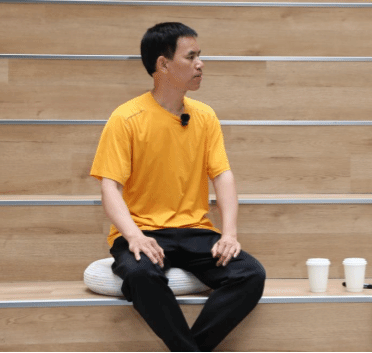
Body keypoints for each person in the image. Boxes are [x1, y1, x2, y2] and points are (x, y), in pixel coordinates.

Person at [90, 22, 266, 352]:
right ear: (163, 64)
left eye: (200, 56)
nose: (201, 64)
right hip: (143, 231)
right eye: (191, 56)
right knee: (141, 275)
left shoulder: (205, 116)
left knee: (250, 274)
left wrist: (229, 234)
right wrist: (134, 236)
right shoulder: (126, 118)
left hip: (195, 231)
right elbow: (110, 187)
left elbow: (222, 176)